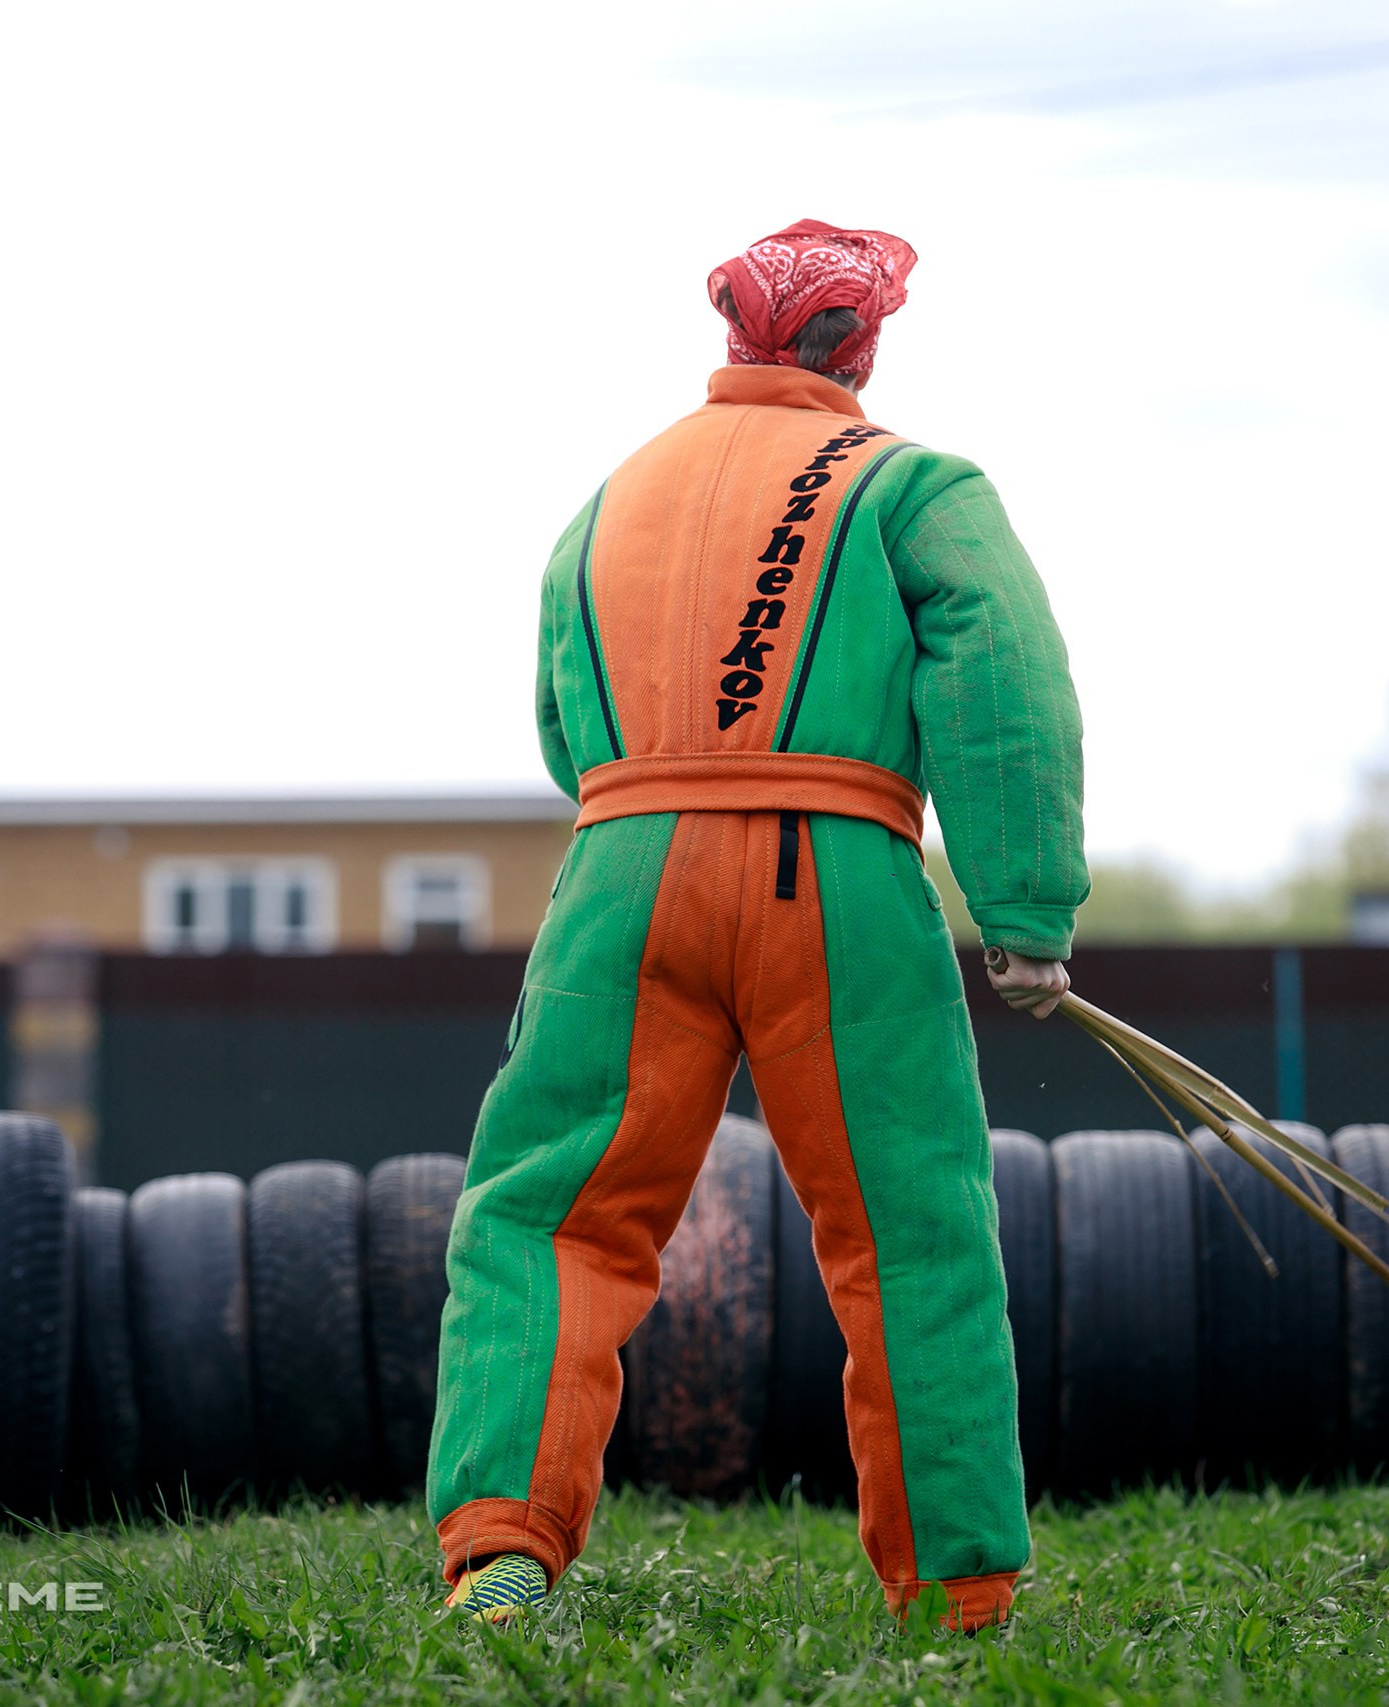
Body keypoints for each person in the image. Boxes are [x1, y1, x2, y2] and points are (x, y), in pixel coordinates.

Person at [429, 218, 1088, 1631]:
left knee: (546, 1214)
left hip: (623, 873)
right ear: (864, 345)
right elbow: (1004, 682)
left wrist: (666, 796)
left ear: (730, 334)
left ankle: (500, 1552)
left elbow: (562, 727)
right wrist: (1026, 910)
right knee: (908, 1228)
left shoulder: (611, 497)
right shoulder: (917, 487)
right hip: (834, 875)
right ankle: (962, 1589)